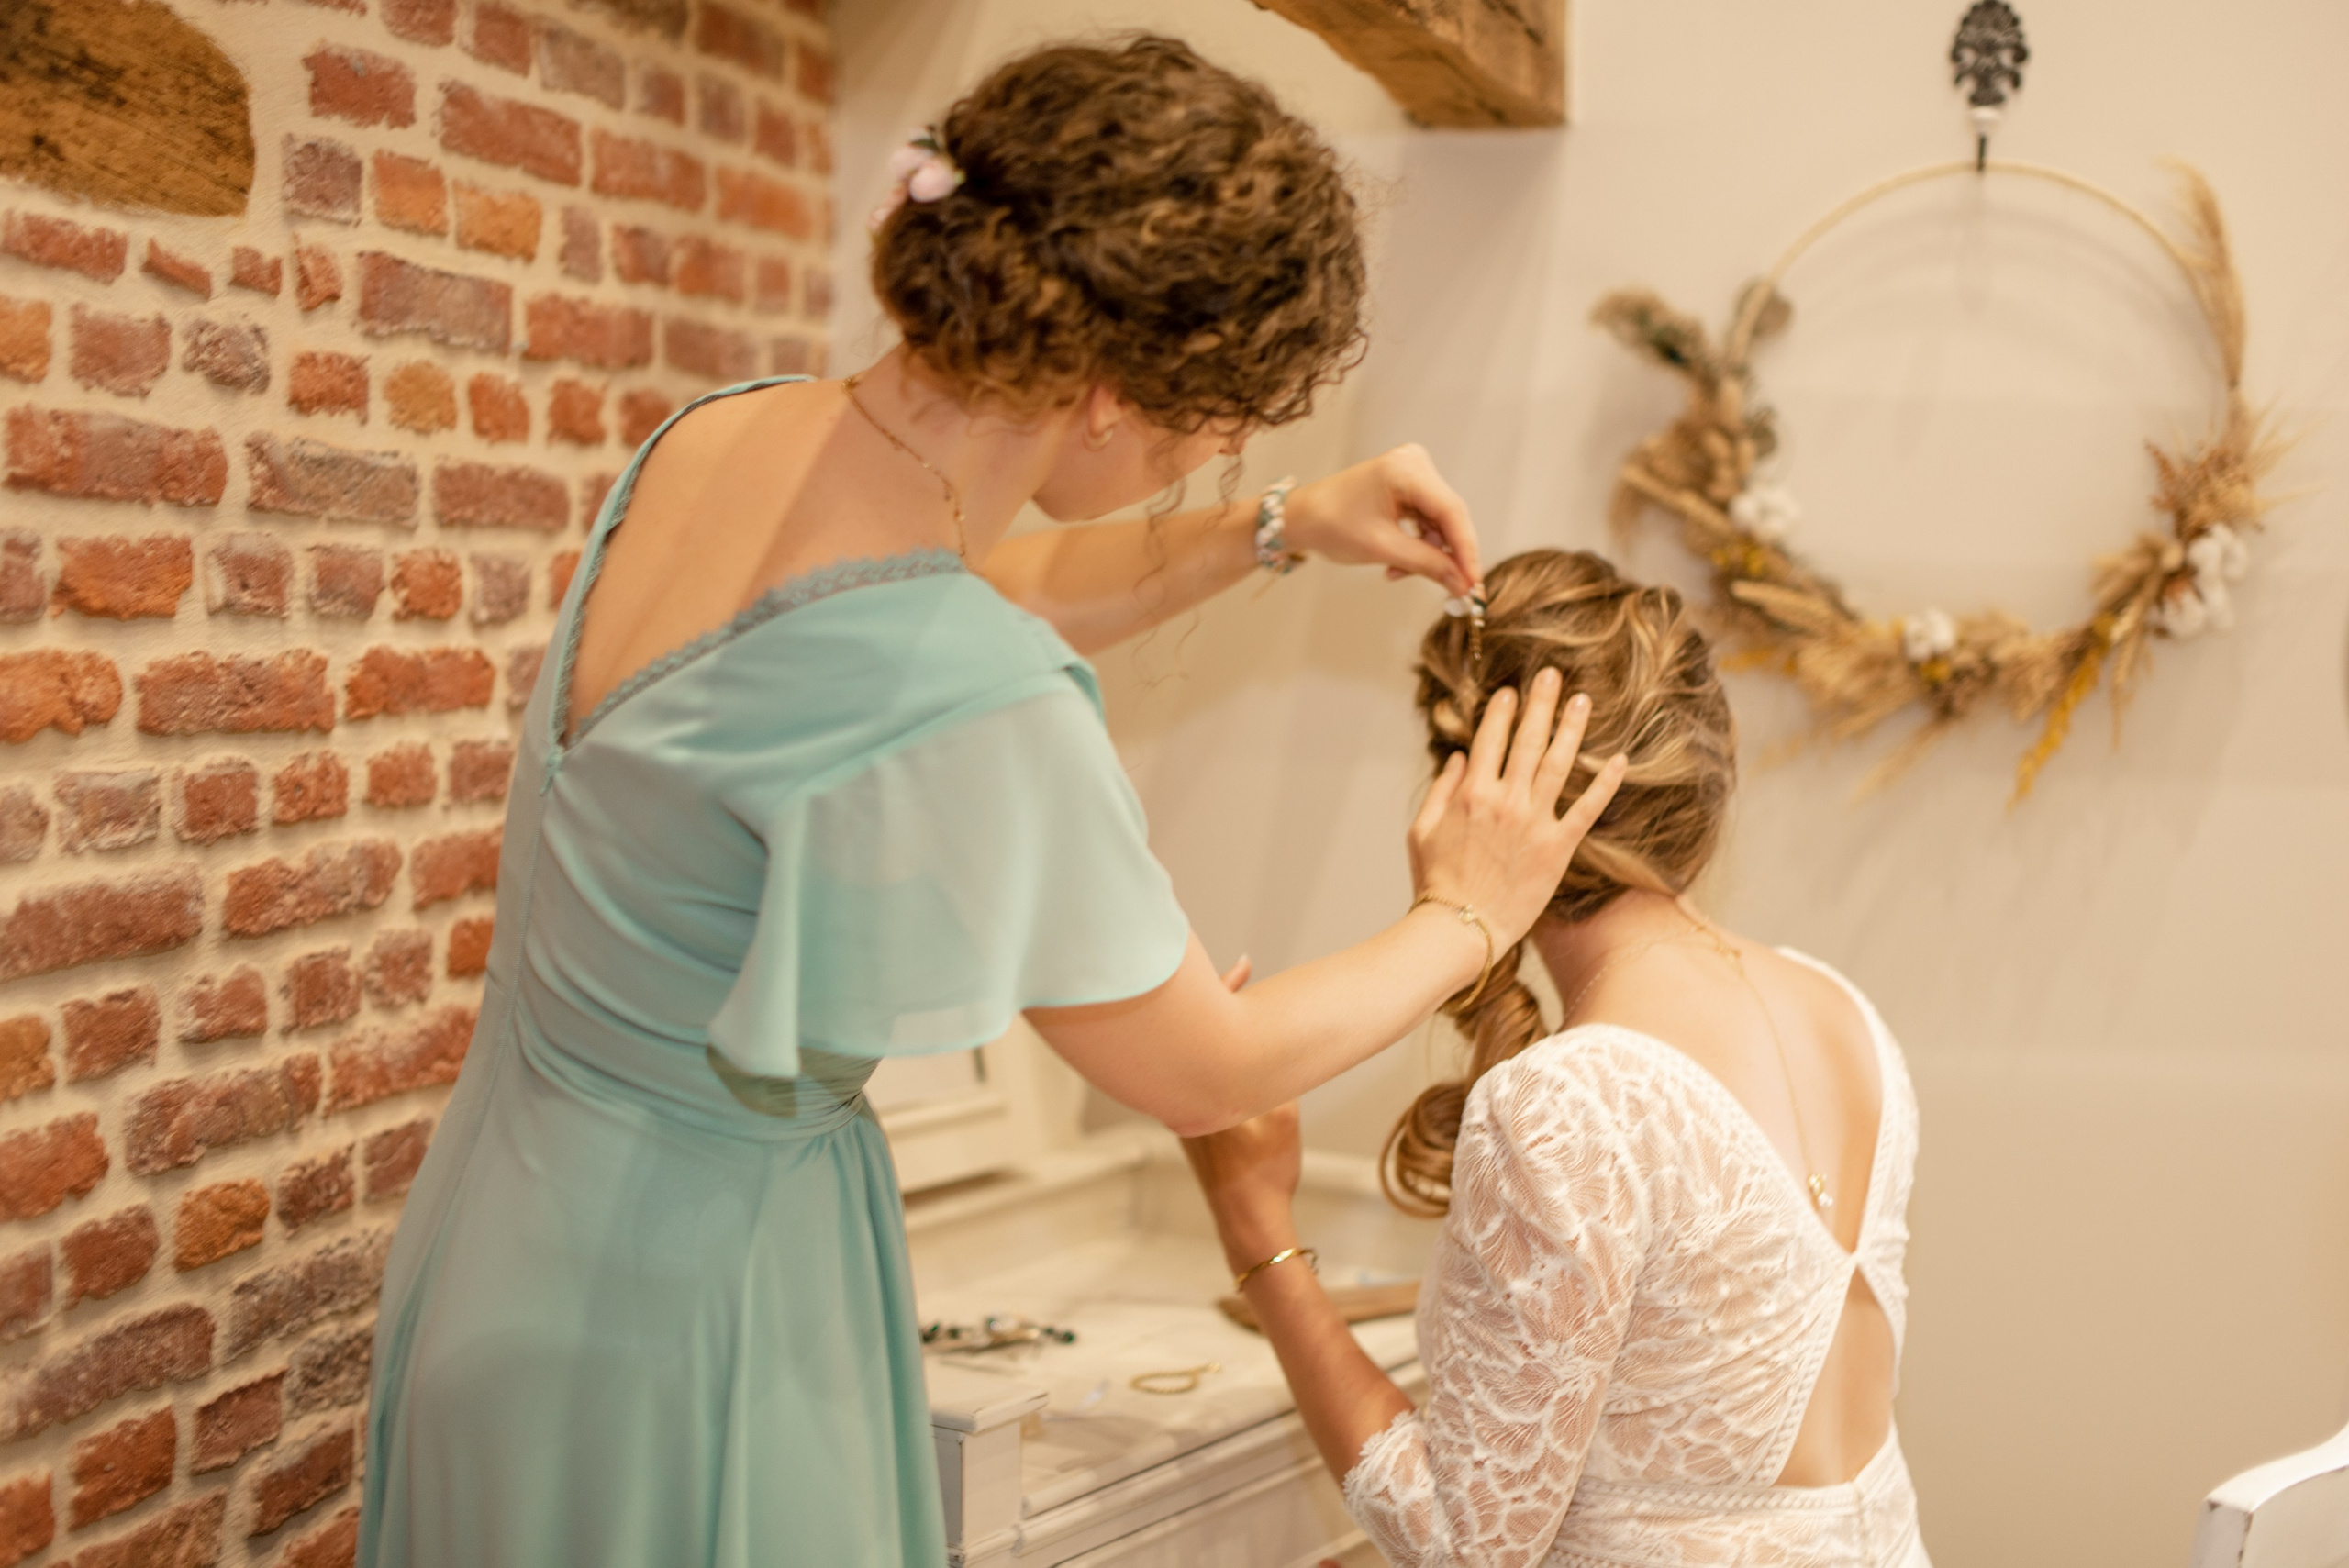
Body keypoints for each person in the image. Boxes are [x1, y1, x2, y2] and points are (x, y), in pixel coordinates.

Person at [357, 38, 1627, 1568]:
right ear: (1110, 392)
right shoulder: (970, 685)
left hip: (501, 1255)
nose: (1228, 449)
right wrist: (1467, 912)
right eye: (1224, 420)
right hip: (695, 1319)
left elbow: (948, 595)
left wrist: (1284, 523)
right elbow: (1208, 1066)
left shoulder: (732, 431)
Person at [1183, 549, 1930, 1568]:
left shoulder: (1570, 1101)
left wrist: (1258, 1231)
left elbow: (1463, 1541)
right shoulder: (1843, 1013)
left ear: (1475, 798)